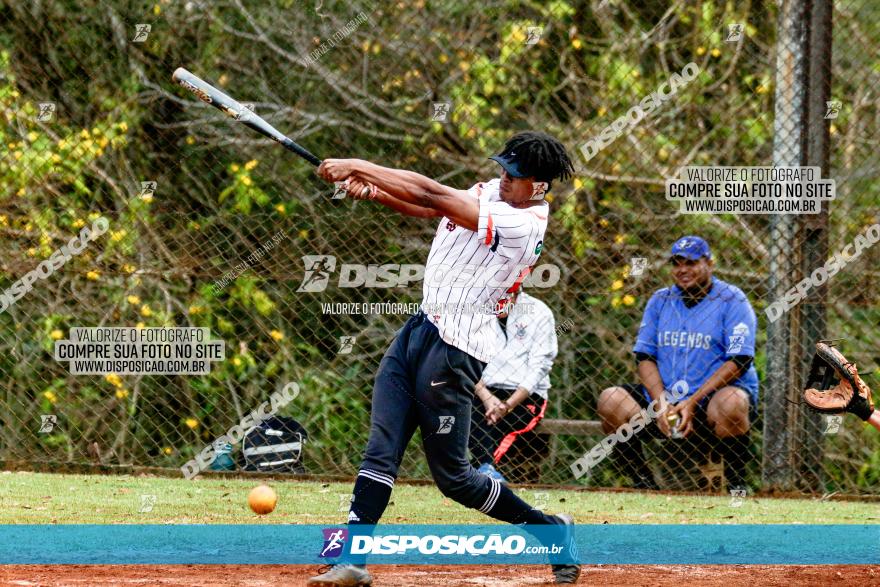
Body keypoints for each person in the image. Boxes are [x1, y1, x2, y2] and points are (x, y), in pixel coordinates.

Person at [309, 132, 580, 586]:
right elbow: (432, 207)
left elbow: (432, 191)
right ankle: (351, 560)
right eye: (503, 169)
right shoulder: (497, 193)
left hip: (458, 349)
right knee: (381, 445)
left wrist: (356, 162)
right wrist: (372, 189)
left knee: (455, 480)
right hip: (421, 328)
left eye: (513, 175)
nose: (502, 178)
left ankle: (550, 531)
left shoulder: (525, 222)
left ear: (538, 184)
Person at [597, 236, 759, 492]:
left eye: (691, 263)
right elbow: (645, 357)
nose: (683, 270)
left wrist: (693, 402)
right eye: (677, 263)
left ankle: (736, 486)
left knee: (732, 403)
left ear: (710, 263)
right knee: (611, 399)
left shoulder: (733, 300)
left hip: (711, 402)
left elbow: (740, 360)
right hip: (667, 401)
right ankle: (643, 484)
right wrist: (661, 404)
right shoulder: (660, 300)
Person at [471, 289, 557, 484]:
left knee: (500, 424)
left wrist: (507, 405)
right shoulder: (475, 309)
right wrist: (486, 396)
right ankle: (484, 470)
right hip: (482, 390)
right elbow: (462, 358)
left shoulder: (538, 311)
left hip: (524, 395)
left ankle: (481, 469)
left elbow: (540, 366)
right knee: (460, 406)